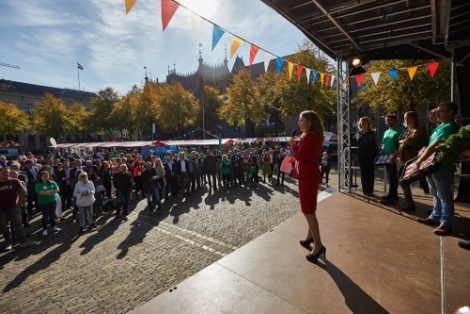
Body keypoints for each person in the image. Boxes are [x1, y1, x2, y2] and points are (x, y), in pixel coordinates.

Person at [413, 101, 460, 236]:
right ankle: (436, 216)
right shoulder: (439, 127)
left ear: (450, 113)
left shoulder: (450, 126)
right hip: (432, 165)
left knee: (444, 195)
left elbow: (435, 146)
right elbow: (430, 146)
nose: (437, 113)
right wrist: (423, 151)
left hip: (442, 165)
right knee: (435, 193)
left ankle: (446, 223)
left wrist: (418, 162)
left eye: (440, 111)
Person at [289, 110, 325, 263]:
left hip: (308, 177)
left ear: (309, 121)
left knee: (308, 211)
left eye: (301, 120)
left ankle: (318, 245)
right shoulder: (309, 136)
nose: (299, 123)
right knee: (309, 210)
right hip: (308, 176)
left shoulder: (310, 136)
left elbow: (301, 157)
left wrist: (293, 146)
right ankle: (310, 237)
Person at [396, 111, 428, 211]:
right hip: (401, 158)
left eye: (409, 117)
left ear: (415, 118)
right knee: (402, 181)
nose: (406, 119)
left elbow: (411, 141)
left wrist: (403, 140)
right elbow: (399, 140)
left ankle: (410, 203)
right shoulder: (406, 130)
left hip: (412, 159)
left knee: (404, 181)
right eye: (405, 118)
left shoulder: (419, 129)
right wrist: (403, 140)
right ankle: (407, 202)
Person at [0, 166, 36, 250]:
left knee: (18, 224)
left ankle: (23, 241)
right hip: (1, 209)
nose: (6, 174)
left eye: (7, 172)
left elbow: (23, 192)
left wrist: (19, 202)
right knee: (4, 226)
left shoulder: (14, 181)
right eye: (4, 172)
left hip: (14, 207)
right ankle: (9, 242)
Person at [380, 114, 404, 205]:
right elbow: (383, 144)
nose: (388, 122)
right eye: (386, 121)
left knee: (393, 176)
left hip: (396, 156)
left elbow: (401, 146)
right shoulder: (386, 132)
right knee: (390, 176)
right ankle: (394, 194)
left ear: (395, 120)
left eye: (390, 120)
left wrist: (395, 156)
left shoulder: (400, 130)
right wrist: (380, 152)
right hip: (386, 156)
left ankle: (391, 195)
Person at [355, 117, 378, 196]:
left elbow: (375, 145)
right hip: (361, 154)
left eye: (365, 122)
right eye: (362, 122)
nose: (363, 124)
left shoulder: (372, 133)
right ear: (360, 123)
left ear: (368, 124)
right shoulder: (358, 133)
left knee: (370, 172)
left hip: (370, 154)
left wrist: (376, 155)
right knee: (363, 172)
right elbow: (355, 143)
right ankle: (365, 190)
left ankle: (370, 191)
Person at [35, 170, 61, 236]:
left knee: (52, 214)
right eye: (44, 176)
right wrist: (51, 191)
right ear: (40, 177)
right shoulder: (38, 185)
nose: (46, 177)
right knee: (45, 216)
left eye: (47, 176)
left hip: (53, 201)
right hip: (44, 203)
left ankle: (53, 226)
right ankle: (45, 229)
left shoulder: (52, 182)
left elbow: (57, 189)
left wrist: (47, 192)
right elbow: (42, 193)